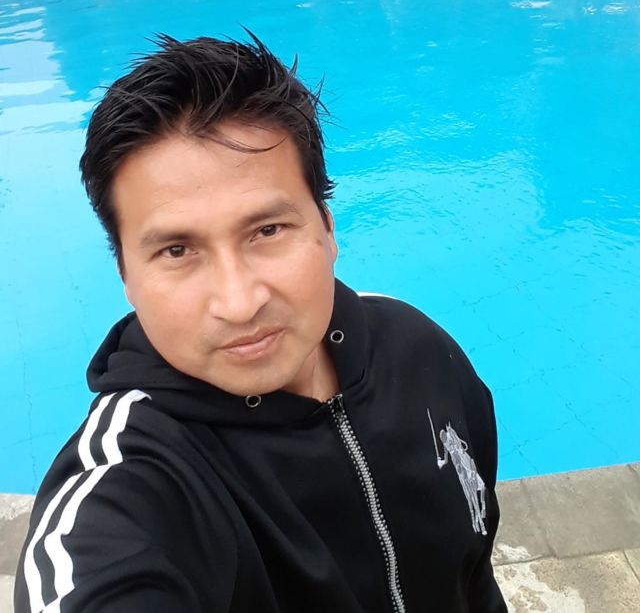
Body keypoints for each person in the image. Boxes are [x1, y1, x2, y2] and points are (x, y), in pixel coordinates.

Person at [14, 36, 507, 613]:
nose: (239, 303)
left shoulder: (416, 350)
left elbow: (474, 573)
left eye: (267, 230)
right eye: (177, 250)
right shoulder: (130, 483)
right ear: (126, 275)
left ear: (327, 228)